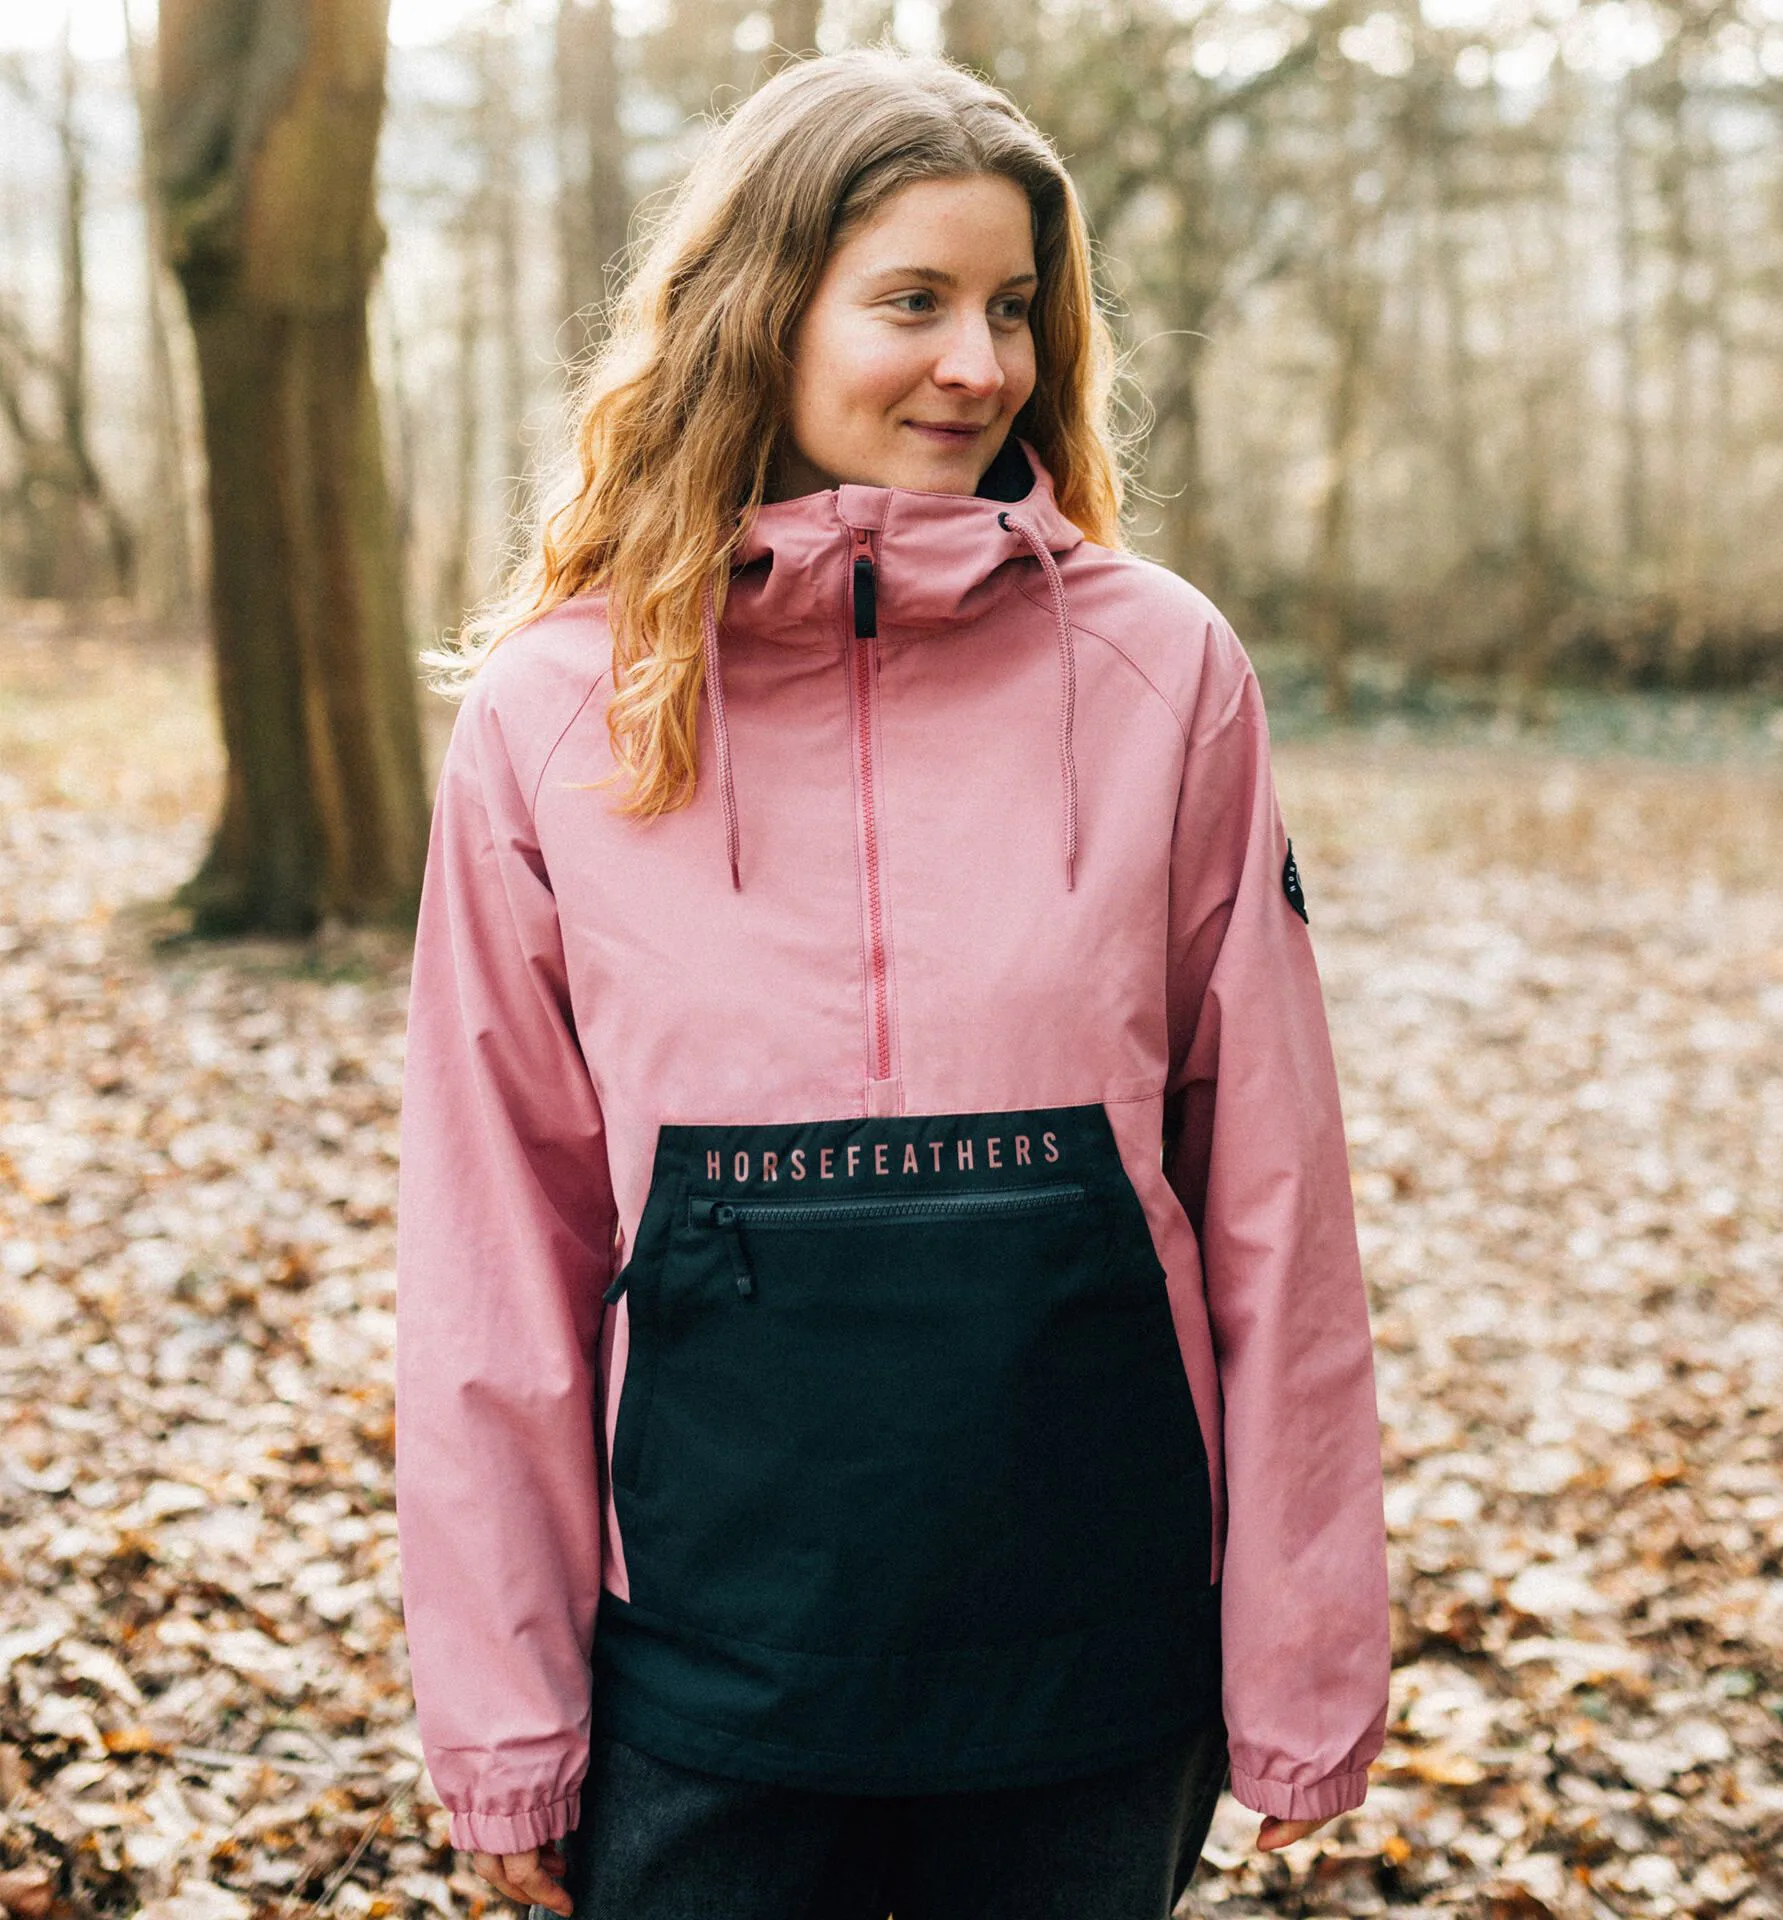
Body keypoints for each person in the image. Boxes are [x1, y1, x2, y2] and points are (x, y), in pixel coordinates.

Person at [395, 46, 1390, 1920]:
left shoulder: (1164, 671)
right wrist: (507, 1719)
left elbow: (1272, 1194)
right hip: (706, 1673)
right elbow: (492, 1255)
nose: (979, 364)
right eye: (913, 300)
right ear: (763, 312)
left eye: (1013, 307)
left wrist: (1304, 1662)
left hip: (1093, 1663)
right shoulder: (555, 710)